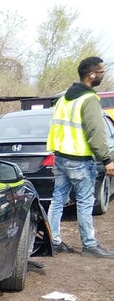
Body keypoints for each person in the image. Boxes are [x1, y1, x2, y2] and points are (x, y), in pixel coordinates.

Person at [46, 56, 114, 258]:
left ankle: (53, 240)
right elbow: (96, 133)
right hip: (79, 159)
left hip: (60, 157)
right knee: (85, 201)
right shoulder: (89, 99)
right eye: (101, 72)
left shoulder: (64, 98)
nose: (103, 75)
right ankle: (89, 245)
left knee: (57, 199)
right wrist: (107, 160)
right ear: (91, 74)